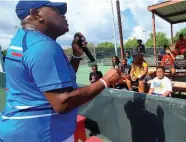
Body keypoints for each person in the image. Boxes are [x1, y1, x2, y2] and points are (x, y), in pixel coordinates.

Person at [0, 1, 121, 142]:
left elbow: (58, 82)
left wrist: (76, 56)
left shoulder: (23, 40)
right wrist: (105, 81)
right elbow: (62, 102)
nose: (64, 16)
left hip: (22, 130)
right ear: (36, 14)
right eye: (57, 11)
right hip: (43, 134)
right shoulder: (43, 46)